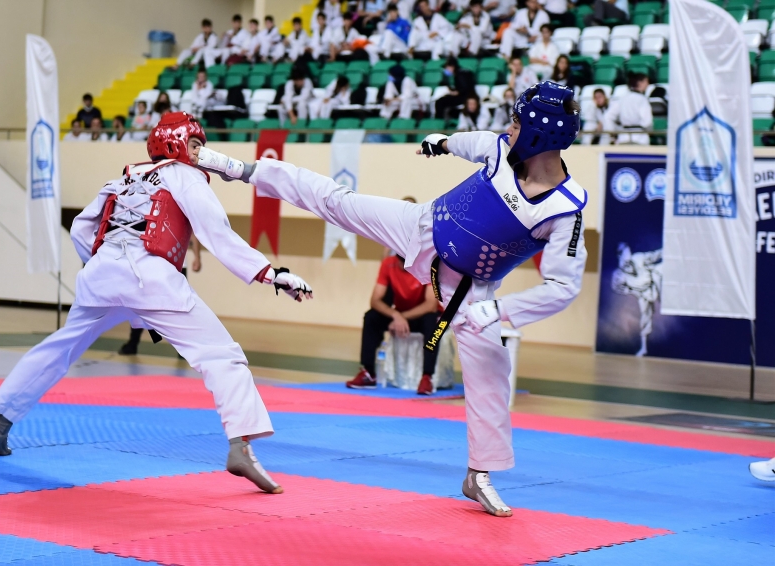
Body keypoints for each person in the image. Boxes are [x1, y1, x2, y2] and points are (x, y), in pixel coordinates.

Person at [197, 81, 587, 518]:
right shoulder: (498, 149)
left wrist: (496, 311)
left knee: (493, 368)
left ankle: (479, 475)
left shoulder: (564, 212)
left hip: (468, 289)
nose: (509, 128)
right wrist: (439, 143)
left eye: (517, 121)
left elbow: (563, 287)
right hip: (421, 227)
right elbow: (465, 142)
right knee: (337, 201)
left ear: (539, 133)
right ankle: (241, 169)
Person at [0, 112, 314, 498]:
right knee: (221, 354)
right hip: (152, 279)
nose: (202, 153)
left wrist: (100, 267)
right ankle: (241, 447)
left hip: (101, 275)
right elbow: (218, 235)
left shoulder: (123, 176)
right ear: (175, 144)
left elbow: (80, 229)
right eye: (195, 144)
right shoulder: (186, 177)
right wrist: (272, 275)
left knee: (60, 347)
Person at [346, 251, 442, 395]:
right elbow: (375, 300)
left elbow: (431, 305)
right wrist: (395, 315)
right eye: (401, 264)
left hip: (423, 315)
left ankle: (427, 377)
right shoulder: (388, 263)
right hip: (400, 313)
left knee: (433, 323)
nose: (403, 268)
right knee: (371, 317)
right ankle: (368, 373)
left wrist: (401, 316)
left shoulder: (427, 265)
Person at [611, 243, 661, 357]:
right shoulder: (618, 275)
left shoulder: (638, 258)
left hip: (655, 281)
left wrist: (667, 250)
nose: (628, 256)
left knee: (661, 271)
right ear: (620, 256)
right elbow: (618, 288)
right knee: (645, 317)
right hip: (643, 293)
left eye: (629, 252)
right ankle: (644, 347)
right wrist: (633, 291)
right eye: (625, 254)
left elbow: (654, 255)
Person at [603, 73, 652, 145]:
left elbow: (607, 116)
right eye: (646, 82)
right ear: (639, 83)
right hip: (640, 137)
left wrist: (612, 134)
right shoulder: (642, 100)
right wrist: (649, 131)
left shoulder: (622, 98)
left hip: (623, 136)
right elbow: (647, 122)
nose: (648, 84)